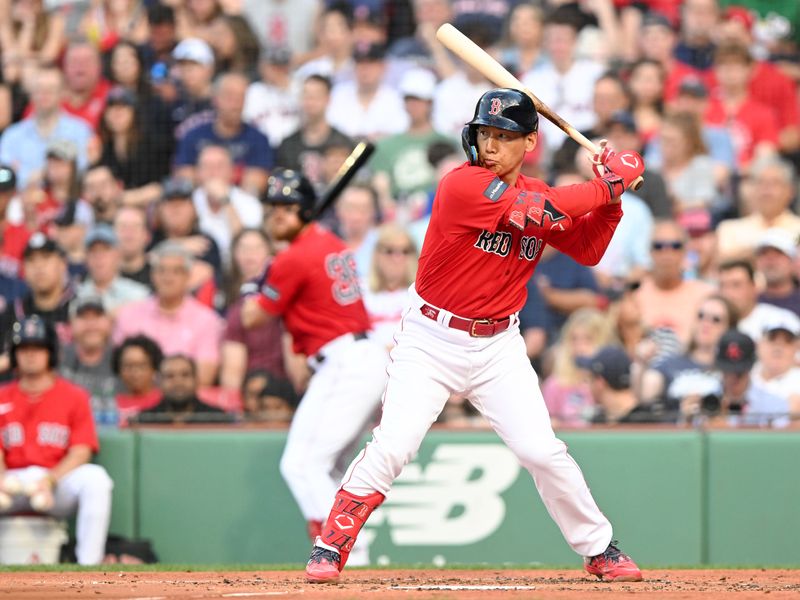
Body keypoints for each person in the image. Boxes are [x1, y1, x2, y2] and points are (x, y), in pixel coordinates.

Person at [302, 88, 645, 583]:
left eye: (503, 137)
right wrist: (610, 185)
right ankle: (330, 544)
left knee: (541, 450)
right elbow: (538, 213)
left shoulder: (538, 189)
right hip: (431, 338)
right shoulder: (461, 185)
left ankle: (599, 549)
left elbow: (588, 249)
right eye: (485, 133)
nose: (490, 145)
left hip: (498, 345)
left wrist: (609, 199)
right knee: (395, 444)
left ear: (529, 142)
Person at [241, 168, 389, 565]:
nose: (277, 216)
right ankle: (345, 548)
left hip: (346, 363)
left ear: (306, 210)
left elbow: (252, 317)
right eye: (272, 208)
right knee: (325, 468)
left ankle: (342, 551)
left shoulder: (294, 257)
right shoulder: (326, 242)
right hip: (355, 359)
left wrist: (257, 284)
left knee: (302, 464)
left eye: (287, 208)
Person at [0, 315, 113, 564]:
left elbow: (82, 451)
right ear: (14, 355)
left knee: (96, 479)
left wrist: (50, 480)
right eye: (24, 348)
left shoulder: (74, 396)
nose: (31, 355)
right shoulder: (1, 395)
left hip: (55, 481)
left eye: (38, 348)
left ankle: (89, 567)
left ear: (50, 352)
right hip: (11, 480)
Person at [113, 241, 224, 388]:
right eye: (161, 271)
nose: (168, 278)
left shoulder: (207, 321)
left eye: (176, 271)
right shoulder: (129, 316)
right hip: (136, 401)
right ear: (152, 275)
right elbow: (118, 370)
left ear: (188, 277)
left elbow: (203, 378)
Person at [541, 308, 615, 428]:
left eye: (588, 339)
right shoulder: (555, 384)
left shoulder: (612, 381)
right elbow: (545, 425)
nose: (579, 347)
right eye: (574, 339)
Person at [59, 295, 119, 426]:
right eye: (83, 318)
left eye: (97, 316)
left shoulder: (123, 358)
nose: (91, 325)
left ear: (109, 322)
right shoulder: (57, 358)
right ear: (71, 324)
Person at [361, 224, 419, 350]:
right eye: (389, 251)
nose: (397, 258)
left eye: (405, 251)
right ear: (376, 254)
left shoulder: (422, 296)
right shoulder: (361, 292)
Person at [131, 355, 234, 425]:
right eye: (170, 376)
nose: (178, 382)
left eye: (185, 375)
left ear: (196, 380)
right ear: (159, 383)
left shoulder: (218, 419)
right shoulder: (143, 420)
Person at [718, 259, 800, 344]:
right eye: (722, 285)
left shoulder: (781, 320)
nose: (728, 293)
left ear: (754, 287)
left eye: (736, 285)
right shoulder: (710, 323)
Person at [76, 224, 150, 314]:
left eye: (105, 250)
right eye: (93, 251)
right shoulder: (77, 296)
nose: (99, 257)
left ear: (118, 254)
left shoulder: (138, 295)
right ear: (86, 258)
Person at [111, 334, 163, 426]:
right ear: (118, 369)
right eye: (128, 366)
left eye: (142, 366)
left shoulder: (164, 402)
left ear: (154, 368)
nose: (135, 372)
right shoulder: (111, 405)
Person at [755, 229, 800, 316]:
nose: (770, 260)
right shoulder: (750, 303)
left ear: (793, 261)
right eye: (764, 254)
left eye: (778, 254)